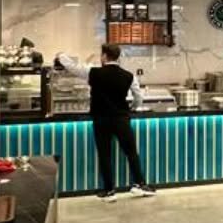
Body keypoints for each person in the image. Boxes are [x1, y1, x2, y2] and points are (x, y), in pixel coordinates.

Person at [56, 44, 155, 203]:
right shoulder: (129, 75)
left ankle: (109, 191)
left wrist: (61, 55)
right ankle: (140, 184)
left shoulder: (93, 72)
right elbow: (138, 97)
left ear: (104, 56)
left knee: (105, 154)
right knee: (131, 152)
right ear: (117, 57)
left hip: (101, 119)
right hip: (121, 118)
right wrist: (132, 107)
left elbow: (73, 67)